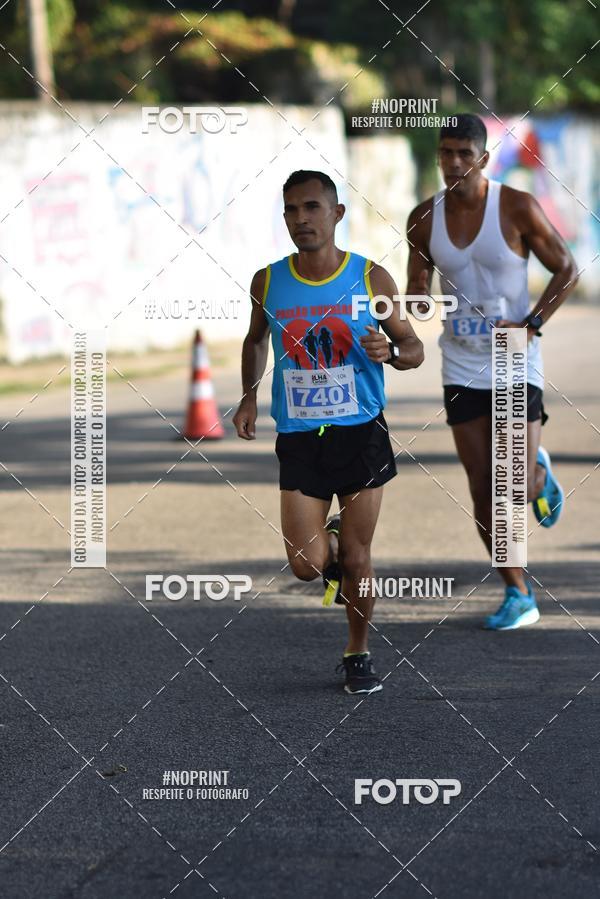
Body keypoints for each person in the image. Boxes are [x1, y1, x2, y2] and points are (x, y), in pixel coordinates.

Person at [233, 169, 424, 693]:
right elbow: (255, 340)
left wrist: (393, 353)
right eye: (292, 210)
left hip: (360, 432)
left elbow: (413, 347)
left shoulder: (370, 279)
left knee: (359, 557)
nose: (301, 220)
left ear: (337, 214)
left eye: (312, 208)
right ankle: (330, 542)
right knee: (304, 564)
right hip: (298, 435)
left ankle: (357, 651)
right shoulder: (268, 281)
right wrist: (249, 394)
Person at [405, 114, 578, 630]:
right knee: (484, 486)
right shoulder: (422, 218)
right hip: (460, 363)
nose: (454, 163)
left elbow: (566, 268)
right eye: (445, 154)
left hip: (513, 357)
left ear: (482, 158)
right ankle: (518, 591)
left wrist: (532, 324)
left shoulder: (516, 206)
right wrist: (408, 302)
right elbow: (417, 290)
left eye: (464, 153)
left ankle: (537, 474)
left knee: (514, 483)